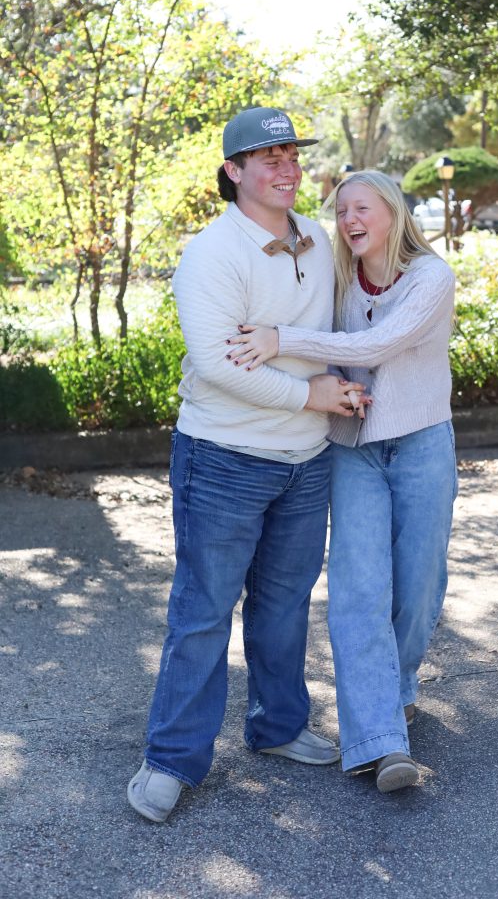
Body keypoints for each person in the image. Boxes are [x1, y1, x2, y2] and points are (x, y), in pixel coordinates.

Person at [127, 107, 368, 823]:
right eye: (268, 158)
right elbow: (218, 365)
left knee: (284, 608)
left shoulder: (317, 240)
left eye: (292, 154)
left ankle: (277, 728)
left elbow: (329, 329)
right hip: (224, 459)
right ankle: (171, 761)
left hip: (305, 460)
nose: (286, 168)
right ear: (233, 172)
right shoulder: (211, 254)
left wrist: (330, 391)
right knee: (201, 613)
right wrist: (312, 394)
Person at [226, 170, 457, 793]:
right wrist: (330, 388)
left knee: (419, 583)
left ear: (393, 212)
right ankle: (381, 742)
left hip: (421, 447)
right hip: (353, 448)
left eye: (362, 207)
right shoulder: (336, 276)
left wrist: (280, 340)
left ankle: (398, 684)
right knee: (358, 589)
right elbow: (333, 351)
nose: (349, 218)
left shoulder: (431, 277)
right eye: (341, 210)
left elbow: (381, 342)